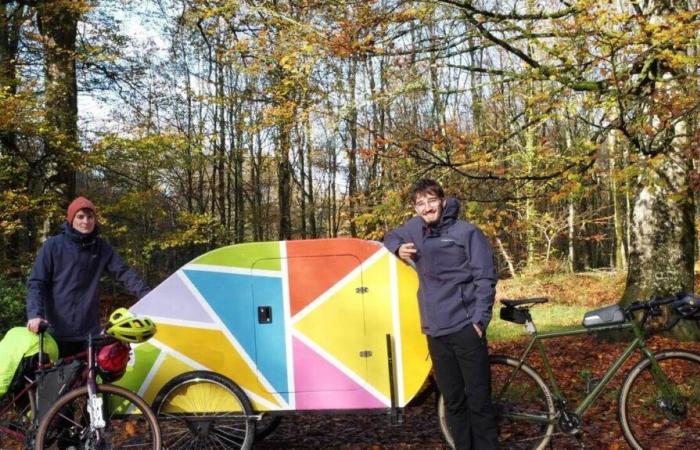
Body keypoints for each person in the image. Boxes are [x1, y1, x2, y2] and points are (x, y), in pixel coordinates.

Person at [384, 179, 498, 450]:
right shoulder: (416, 229)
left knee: (479, 401)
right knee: (454, 402)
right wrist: (397, 248)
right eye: (420, 203)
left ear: (443, 202)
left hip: (465, 327)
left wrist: (479, 322)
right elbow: (390, 236)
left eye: (431, 201)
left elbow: (485, 278)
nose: (426, 207)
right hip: (435, 331)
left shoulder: (467, 232)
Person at [26, 196, 150, 358]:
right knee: (59, 382)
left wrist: (149, 296)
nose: (86, 221)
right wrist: (35, 315)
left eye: (90, 217)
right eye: (80, 216)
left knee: (90, 380)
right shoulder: (53, 246)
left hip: (89, 331)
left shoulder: (101, 247)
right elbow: (36, 282)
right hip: (56, 331)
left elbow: (124, 273)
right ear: (71, 219)